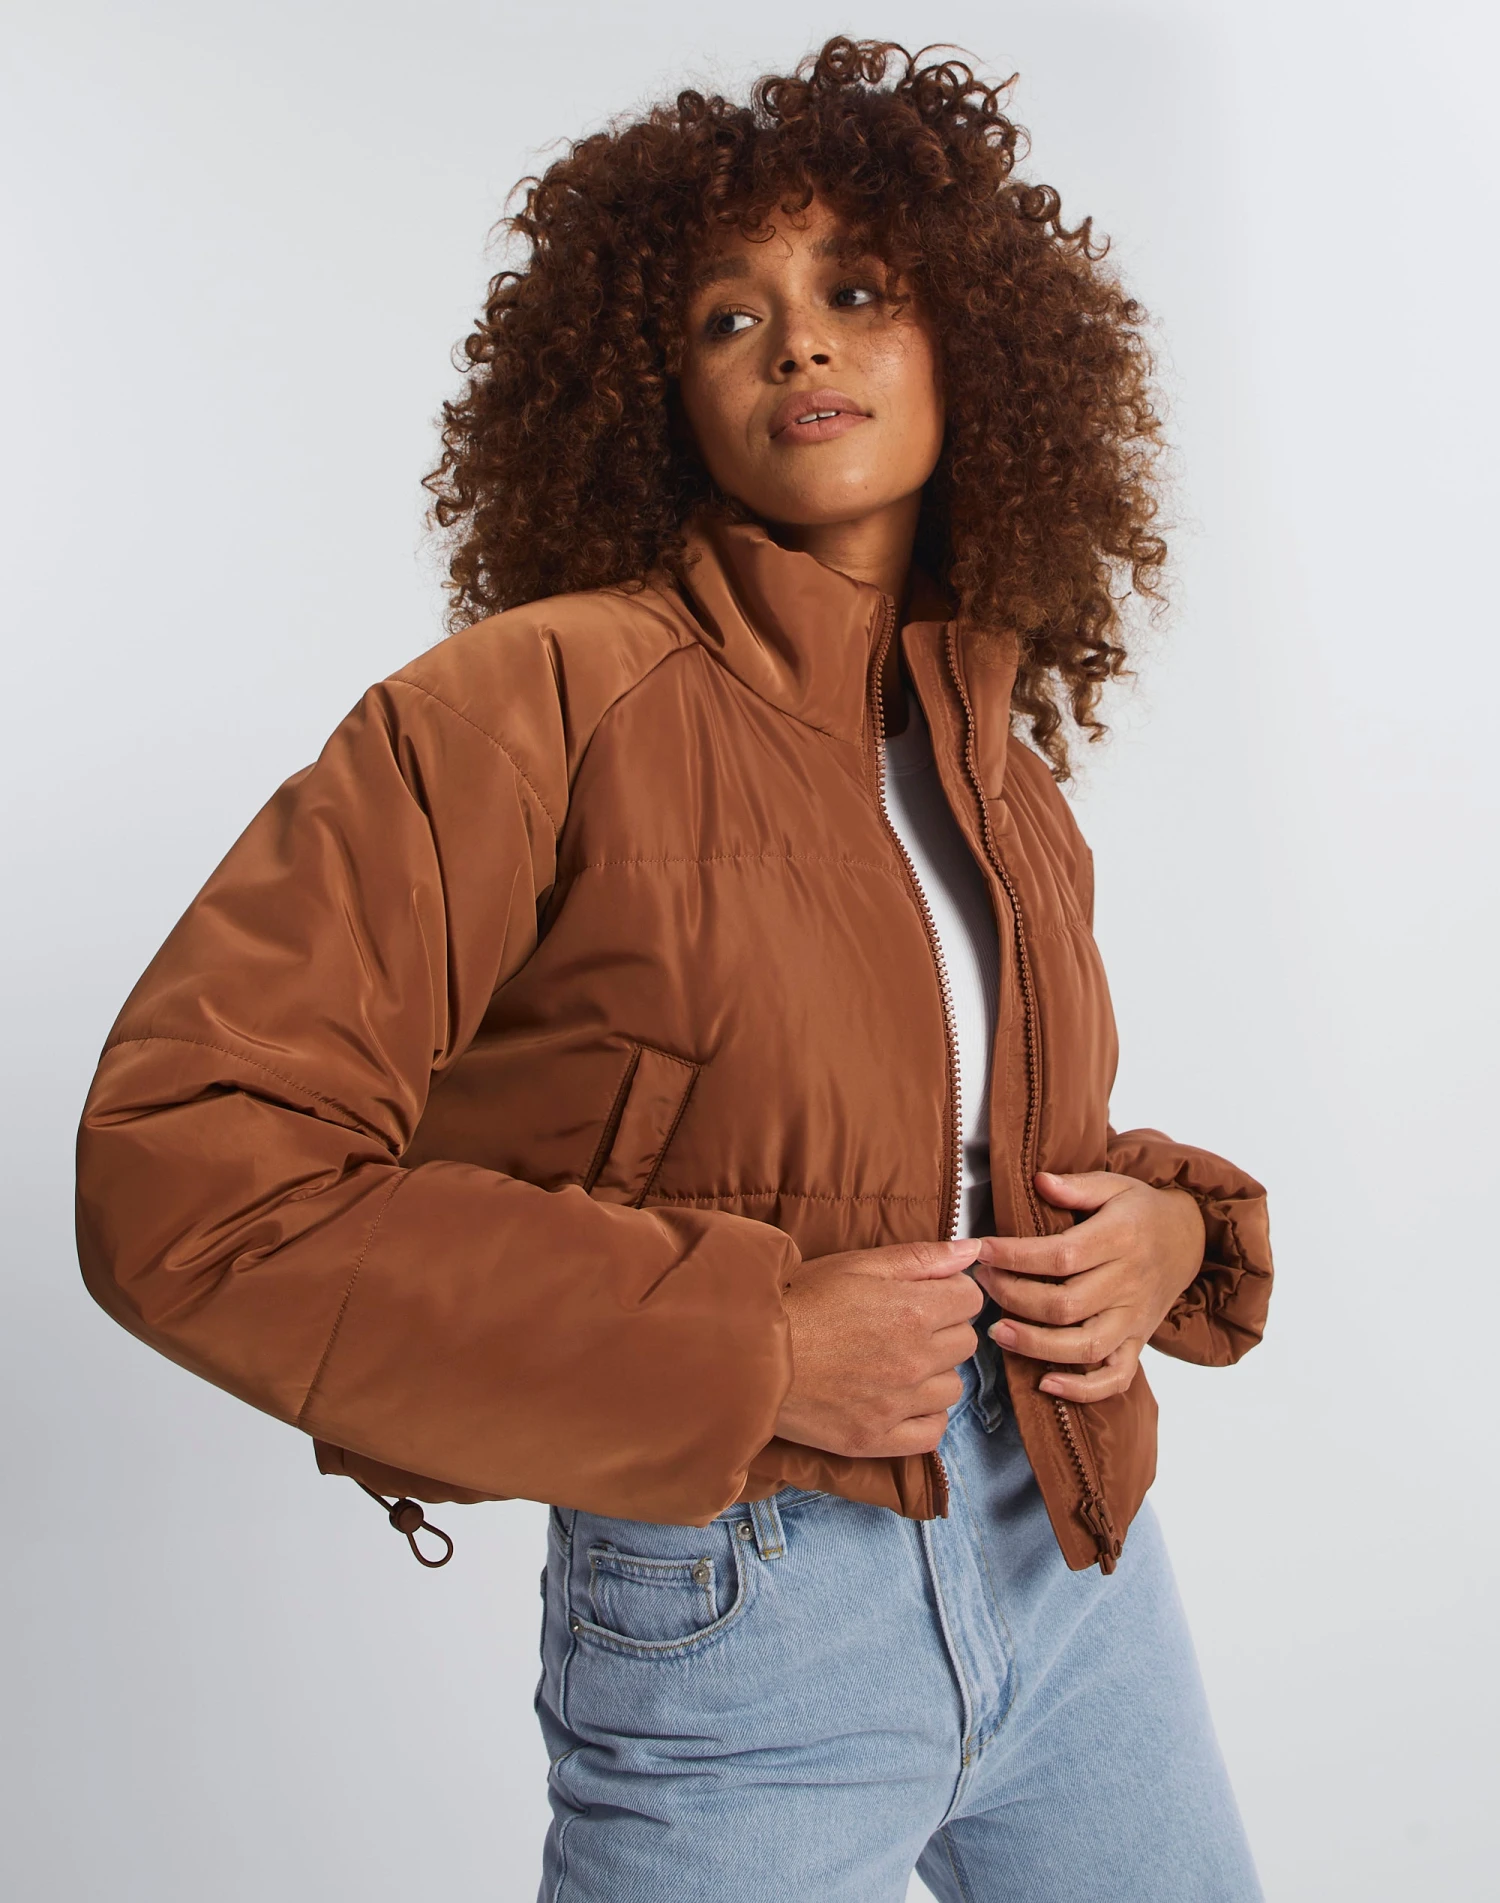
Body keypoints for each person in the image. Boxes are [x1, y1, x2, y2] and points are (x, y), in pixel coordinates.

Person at [75, 37, 1273, 1902]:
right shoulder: (534, 703)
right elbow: (186, 1167)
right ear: (654, 400)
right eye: (731, 317)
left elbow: (962, 1143)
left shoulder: (998, 770)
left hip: (1076, 1563)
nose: (799, 344)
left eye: (857, 291)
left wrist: (1171, 1230)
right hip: (745, 1608)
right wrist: (755, 1340)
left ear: (978, 343)